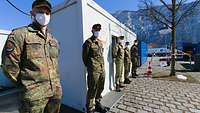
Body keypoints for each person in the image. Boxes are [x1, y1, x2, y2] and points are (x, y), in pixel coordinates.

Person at [1, 0, 62, 113]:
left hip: (55, 94)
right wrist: (27, 85)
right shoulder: (20, 35)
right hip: (33, 98)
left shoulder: (53, 40)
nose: (44, 15)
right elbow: (9, 66)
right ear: (32, 14)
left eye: (47, 13)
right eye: (40, 11)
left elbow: (55, 64)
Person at [82, 24, 109, 113]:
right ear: (92, 30)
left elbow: (101, 55)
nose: (97, 31)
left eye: (99, 30)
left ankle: (97, 104)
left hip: (102, 69)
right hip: (93, 70)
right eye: (96, 29)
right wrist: (91, 67)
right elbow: (84, 58)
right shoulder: (88, 42)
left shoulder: (100, 42)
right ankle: (89, 108)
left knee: (101, 87)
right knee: (92, 89)